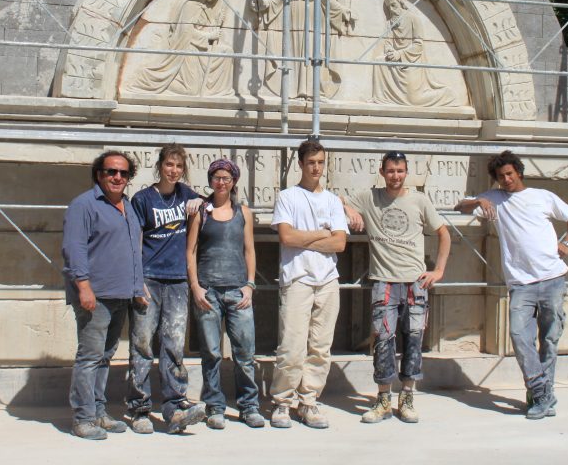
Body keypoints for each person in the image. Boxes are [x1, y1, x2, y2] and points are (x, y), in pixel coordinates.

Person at [454, 150, 568, 420]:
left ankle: (540, 395)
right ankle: (541, 391)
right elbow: (460, 207)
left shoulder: (542, 196)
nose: (506, 179)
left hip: (552, 278)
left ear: (519, 172)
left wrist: (567, 241)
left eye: (509, 174)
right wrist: (479, 200)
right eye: (501, 176)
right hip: (521, 283)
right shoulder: (495, 199)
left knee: (549, 339)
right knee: (520, 337)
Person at [342, 151, 451, 424]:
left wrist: (438, 270)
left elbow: (443, 233)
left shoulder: (419, 200)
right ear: (382, 172)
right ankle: (382, 399)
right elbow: (337, 200)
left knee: (414, 340)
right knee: (382, 341)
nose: (395, 176)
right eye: (390, 171)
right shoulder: (370, 197)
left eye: (400, 171)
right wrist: (350, 210)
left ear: (406, 172)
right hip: (384, 282)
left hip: (415, 282)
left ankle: (408, 397)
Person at [61, 151, 145, 440]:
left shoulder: (128, 206)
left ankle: (98, 411)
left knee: (105, 357)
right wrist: (83, 287)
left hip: (121, 294)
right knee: (89, 357)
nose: (117, 177)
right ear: (99, 174)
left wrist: (137, 288)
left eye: (123, 173)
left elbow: (134, 251)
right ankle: (83, 418)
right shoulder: (84, 205)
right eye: (111, 171)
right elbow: (74, 249)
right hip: (95, 296)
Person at [268, 138, 349, 429]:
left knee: (320, 347)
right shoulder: (288, 197)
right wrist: (320, 234)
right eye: (311, 162)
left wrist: (308, 238)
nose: (316, 168)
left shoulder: (332, 200)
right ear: (301, 164)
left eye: (320, 163)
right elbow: (287, 238)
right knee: (291, 345)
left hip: (328, 280)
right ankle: (282, 402)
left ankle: (309, 401)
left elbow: (340, 243)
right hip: (298, 278)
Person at [126, 144, 208, 434]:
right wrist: (136, 283)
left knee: (173, 344)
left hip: (177, 280)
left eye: (178, 166)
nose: (173, 170)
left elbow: (206, 206)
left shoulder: (186, 194)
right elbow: (134, 243)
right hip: (149, 278)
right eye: (169, 165)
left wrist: (199, 203)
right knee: (142, 344)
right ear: (159, 166)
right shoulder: (143, 199)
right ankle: (139, 408)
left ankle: (174, 407)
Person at [186, 158, 264, 429]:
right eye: (217, 178)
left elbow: (249, 250)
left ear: (233, 182)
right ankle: (215, 406)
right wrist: (195, 287)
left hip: (237, 292)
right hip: (208, 292)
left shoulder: (244, 212)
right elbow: (191, 251)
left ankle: (249, 405)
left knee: (245, 352)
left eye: (226, 178)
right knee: (211, 353)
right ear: (210, 180)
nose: (221, 182)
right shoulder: (201, 212)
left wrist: (250, 284)